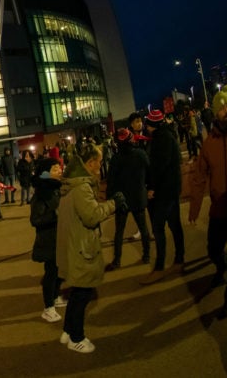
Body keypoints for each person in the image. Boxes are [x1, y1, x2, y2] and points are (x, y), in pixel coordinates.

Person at [56, 144, 122, 353]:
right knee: (82, 294)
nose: (100, 166)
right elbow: (92, 215)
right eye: (99, 162)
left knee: (78, 293)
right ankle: (76, 337)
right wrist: (113, 204)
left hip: (75, 244)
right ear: (91, 162)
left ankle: (68, 331)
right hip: (81, 247)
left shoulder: (73, 184)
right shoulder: (82, 187)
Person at [188, 91, 227, 319]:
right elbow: (198, 177)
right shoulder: (209, 144)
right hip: (219, 208)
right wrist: (195, 208)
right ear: (215, 113)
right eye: (222, 107)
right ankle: (220, 266)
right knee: (213, 249)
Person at [141, 109, 186, 284]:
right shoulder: (168, 136)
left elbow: (159, 167)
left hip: (164, 192)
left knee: (159, 228)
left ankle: (160, 267)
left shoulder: (161, 140)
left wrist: (152, 188)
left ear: (152, 126)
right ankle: (179, 259)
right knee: (175, 226)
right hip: (171, 190)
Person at [105, 127, 150, 271]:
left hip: (121, 200)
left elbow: (110, 182)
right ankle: (146, 256)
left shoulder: (115, 159)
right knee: (143, 228)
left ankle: (117, 261)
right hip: (138, 196)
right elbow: (149, 172)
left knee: (119, 232)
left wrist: (110, 199)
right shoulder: (141, 154)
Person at [31, 160, 66, 322]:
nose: (59, 170)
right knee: (51, 273)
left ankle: (55, 296)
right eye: (55, 168)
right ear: (45, 172)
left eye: (59, 167)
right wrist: (56, 215)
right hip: (48, 239)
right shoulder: (41, 193)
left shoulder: (57, 188)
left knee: (61, 271)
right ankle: (48, 307)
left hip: (60, 236)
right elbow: (35, 220)